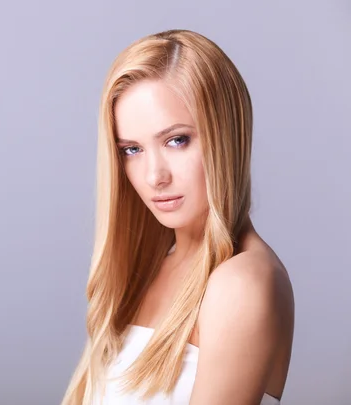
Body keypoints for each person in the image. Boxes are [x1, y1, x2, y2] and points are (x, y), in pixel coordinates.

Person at [60, 29, 295, 405]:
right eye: (132, 149)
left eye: (176, 140)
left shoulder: (242, 282)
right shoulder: (148, 268)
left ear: (226, 135)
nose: (155, 175)